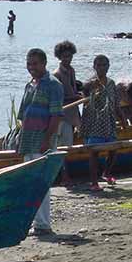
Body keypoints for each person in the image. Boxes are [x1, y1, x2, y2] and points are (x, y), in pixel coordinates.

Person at [18, 48, 63, 235]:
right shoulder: (30, 85)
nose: (31, 67)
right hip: (28, 140)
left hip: (42, 142)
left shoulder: (53, 85)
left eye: (35, 64)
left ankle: (43, 224)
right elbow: (23, 116)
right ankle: (35, 222)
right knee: (30, 184)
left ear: (44, 64)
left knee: (41, 184)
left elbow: (55, 116)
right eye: (29, 64)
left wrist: (47, 140)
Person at [80, 55, 124, 192]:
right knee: (94, 152)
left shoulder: (111, 84)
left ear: (108, 66)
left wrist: (122, 120)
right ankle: (94, 182)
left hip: (109, 122)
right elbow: (84, 92)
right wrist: (90, 88)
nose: (101, 68)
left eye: (104, 65)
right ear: (94, 67)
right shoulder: (90, 84)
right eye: (98, 65)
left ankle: (107, 173)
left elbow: (116, 105)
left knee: (113, 149)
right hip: (94, 124)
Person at [53, 40, 81, 185]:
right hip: (62, 116)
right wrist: (75, 97)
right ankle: (63, 177)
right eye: (64, 56)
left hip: (72, 114)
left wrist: (77, 96)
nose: (67, 59)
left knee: (68, 147)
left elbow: (73, 91)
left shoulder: (71, 71)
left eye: (69, 56)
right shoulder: (57, 75)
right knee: (62, 148)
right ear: (59, 57)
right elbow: (59, 99)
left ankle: (65, 176)